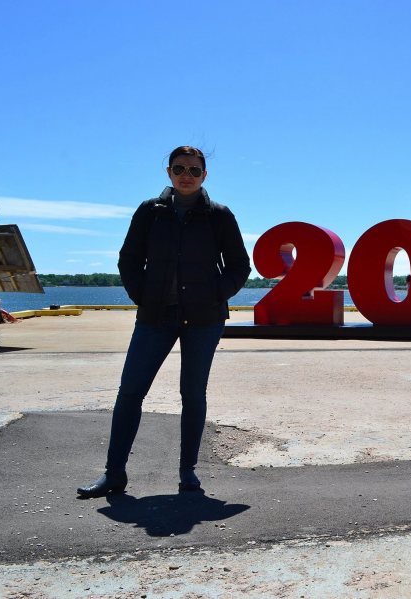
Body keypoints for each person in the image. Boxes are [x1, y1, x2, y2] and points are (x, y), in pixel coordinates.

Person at [78, 146, 251, 498]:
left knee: (193, 394)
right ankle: (114, 474)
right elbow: (129, 259)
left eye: (194, 170)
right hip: (156, 316)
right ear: (169, 172)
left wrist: (214, 294)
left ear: (205, 175)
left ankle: (188, 473)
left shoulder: (219, 215)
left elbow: (239, 266)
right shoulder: (150, 211)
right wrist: (143, 296)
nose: (187, 175)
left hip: (203, 319)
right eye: (179, 168)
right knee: (130, 392)